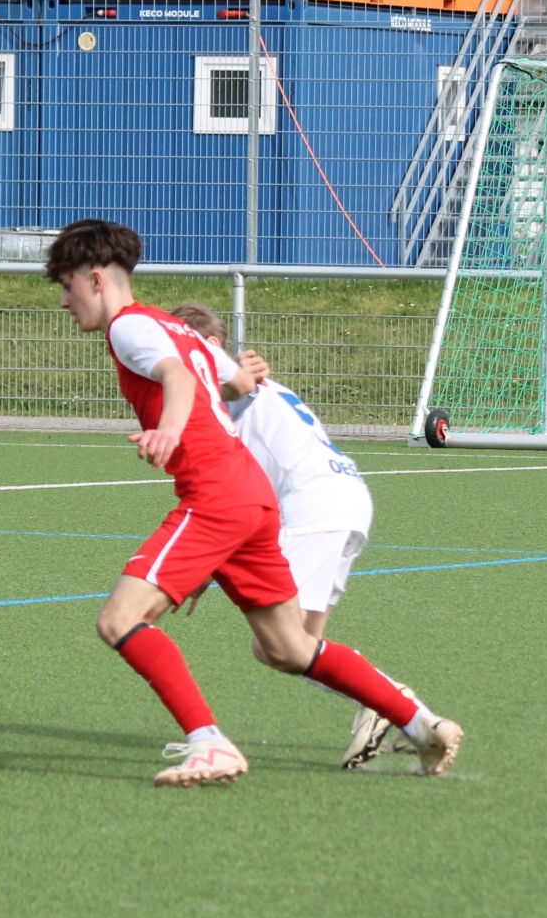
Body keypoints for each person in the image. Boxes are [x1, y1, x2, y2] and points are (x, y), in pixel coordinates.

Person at [44, 218, 462, 785]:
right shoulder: (178, 328)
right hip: (254, 498)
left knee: (120, 619)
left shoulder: (128, 328)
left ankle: (209, 743)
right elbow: (238, 384)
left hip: (216, 493)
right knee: (289, 648)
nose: (65, 301)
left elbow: (176, 377)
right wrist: (236, 376)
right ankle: (422, 724)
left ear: (96, 279)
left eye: (67, 285)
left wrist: (168, 430)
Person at [170, 301, 417, 770]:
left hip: (314, 507)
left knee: (278, 645)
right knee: (295, 647)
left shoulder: (227, 392)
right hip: (345, 500)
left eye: (179, 349)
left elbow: (227, 496)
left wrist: (201, 565)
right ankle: (391, 708)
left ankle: (395, 707)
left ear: (212, 348)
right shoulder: (245, 387)